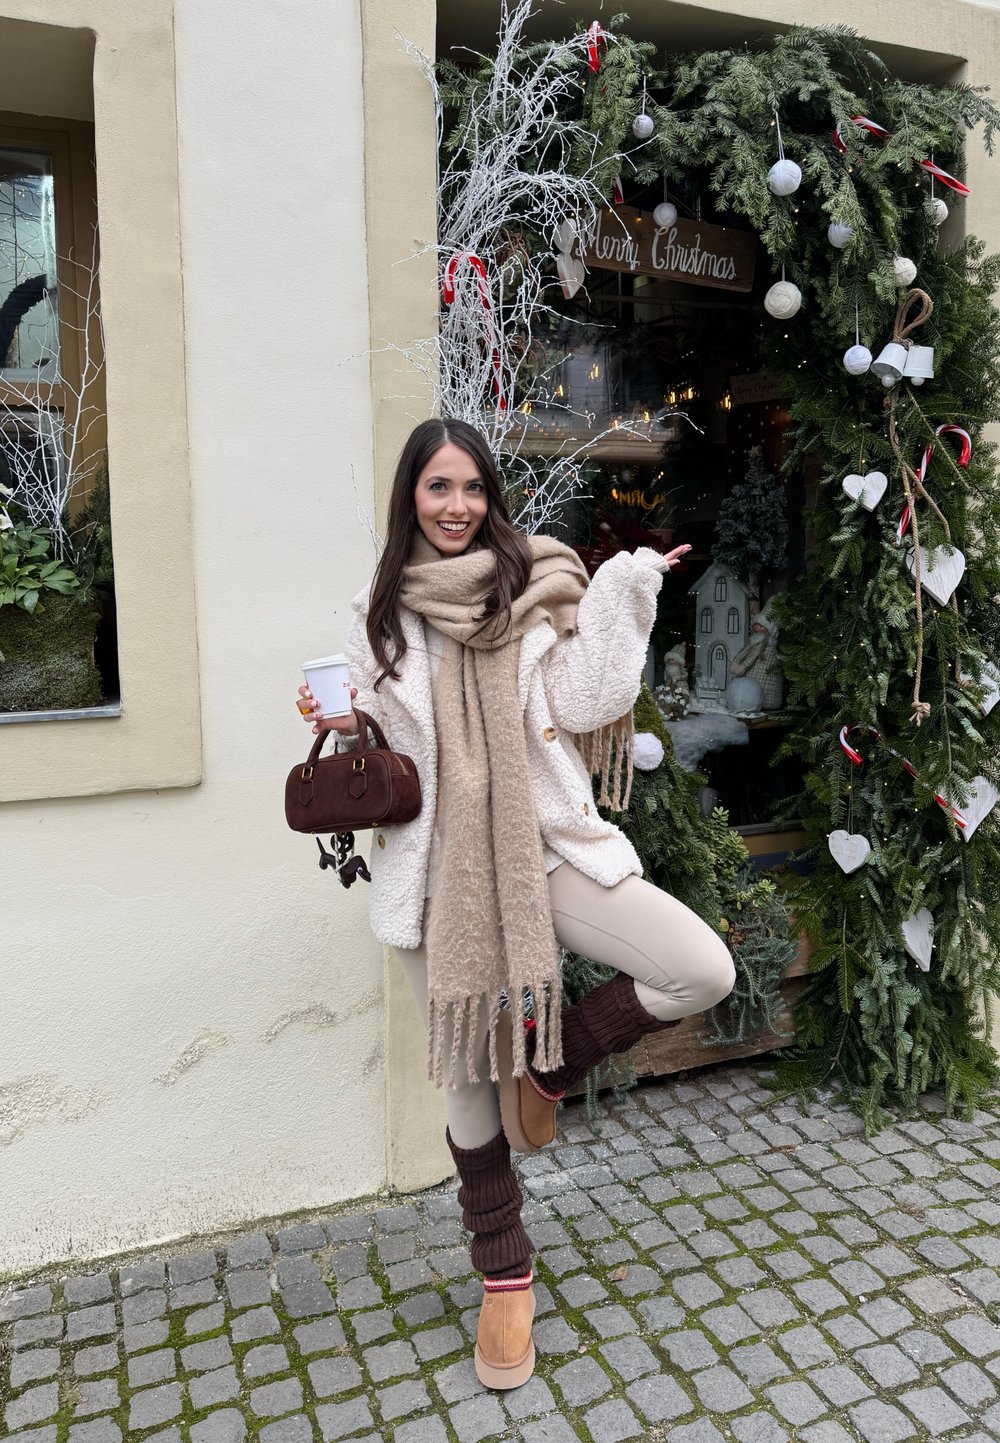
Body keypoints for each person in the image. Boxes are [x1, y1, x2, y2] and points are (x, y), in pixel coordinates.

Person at [295, 417, 736, 1391]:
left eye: (470, 489)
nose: (455, 506)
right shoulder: (378, 617)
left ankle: (548, 1067)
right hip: (435, 876)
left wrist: (624, 589)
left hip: (542, 850)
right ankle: (504, 1275)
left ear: (491, 497)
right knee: (463, 1076)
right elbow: (386, 752)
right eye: (436, 488)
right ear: (410, 498)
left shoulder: (531, 591)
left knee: (698, 965)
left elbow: (585, 702)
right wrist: (345, 724)